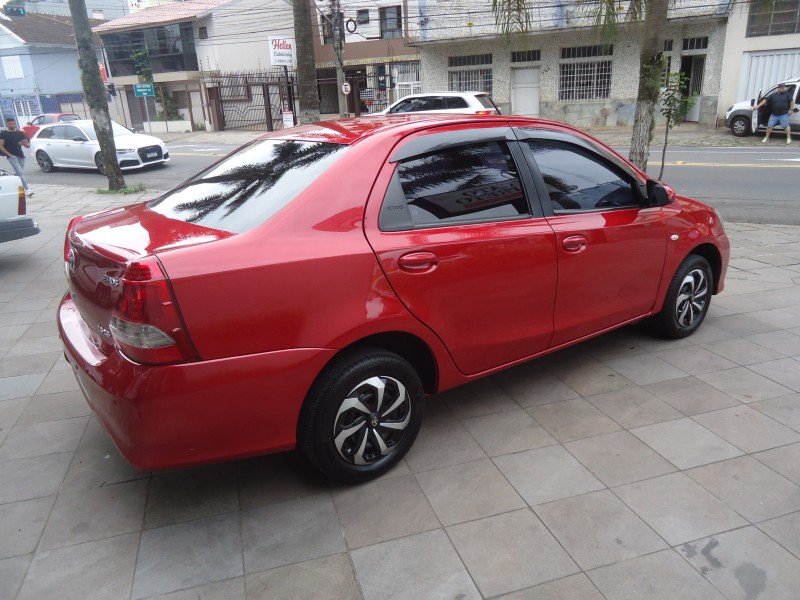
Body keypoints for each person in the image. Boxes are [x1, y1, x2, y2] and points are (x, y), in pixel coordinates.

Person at [0, 118, 33, 196]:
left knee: (19, 174)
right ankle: (28, 190)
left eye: (13, 123)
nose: (12, 125)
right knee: (21, 173)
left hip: (21, 156)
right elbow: (1, 146)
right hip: (12, 156)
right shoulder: (4, 134)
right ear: (7, 124)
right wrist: (9, 154)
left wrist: (23, 143)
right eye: (10, 124)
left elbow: (28, 146)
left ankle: (15, 185)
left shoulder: (20, 133)